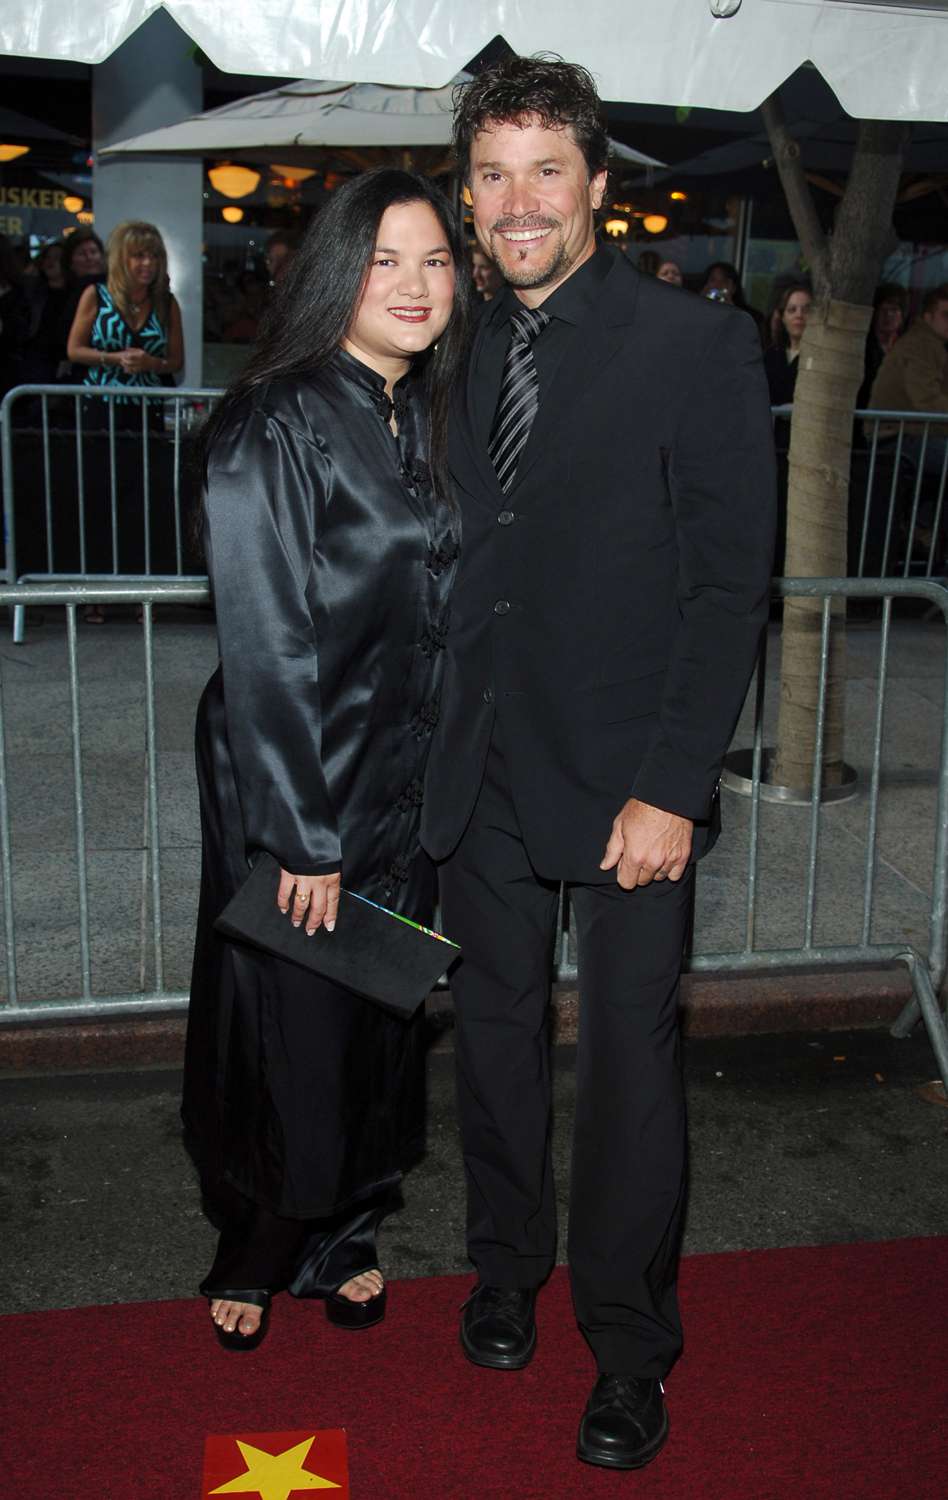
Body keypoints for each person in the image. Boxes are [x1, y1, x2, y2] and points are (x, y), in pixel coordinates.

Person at [421, 56, 776, 1473]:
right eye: (494, 173)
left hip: (633, 781)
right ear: (469, 192)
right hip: (481, 774)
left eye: (546, 170)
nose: (519, 203)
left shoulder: (693, 346)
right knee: (495, 1039)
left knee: (632, 1068)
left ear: (598, 187)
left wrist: (678, 781)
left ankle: (630, 1349)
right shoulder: (445, 343)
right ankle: (507, 1264)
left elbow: (724, 582)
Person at [182, 168, 472, 1353]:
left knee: (379, 1013)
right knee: (284, 1018)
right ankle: (253, 1244)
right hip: (294, 769)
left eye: (436, 261)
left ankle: (347, 1229)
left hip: (402, 775)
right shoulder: (274, 419)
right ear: (334, 273)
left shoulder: (436, 414)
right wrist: (299, 829)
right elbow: (265, 639)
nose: (415, 285)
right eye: (386, 260)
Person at [869, 283, 948, 479]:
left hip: (907, 434)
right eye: (946, 315)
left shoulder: (930, 343)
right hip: (897, 438)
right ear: (928, 317)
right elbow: (926, 400)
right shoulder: (922, 345)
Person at [857, 282, 906, 410]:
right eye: (883, 310)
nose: (888, 315)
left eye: (894, 310)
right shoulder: (863, 347)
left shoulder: (907, 348)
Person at [763, 283, 811, 406]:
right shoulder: (770, 356)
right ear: (783, 317)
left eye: (806, 310)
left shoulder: (821, 359)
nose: (799, 315)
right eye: (792, 310)